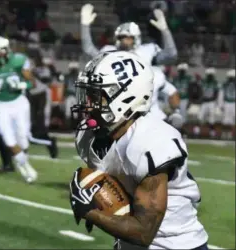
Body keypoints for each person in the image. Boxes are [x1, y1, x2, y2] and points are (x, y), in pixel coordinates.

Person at [69, 51, 208, 250]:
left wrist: (89, 210)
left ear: (125, 97)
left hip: (175, 244)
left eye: (96, 96)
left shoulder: (150, 140)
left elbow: (144, 232)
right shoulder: (88, 137)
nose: (88, 104)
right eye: (87, 94)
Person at [0, 36, 37, 183]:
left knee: (23, 139)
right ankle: (25, 165)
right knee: (9, 140)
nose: (0, 53)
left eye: (2, 49)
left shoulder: (18, 60)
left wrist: (21, 86)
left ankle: (21, 160)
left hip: (19, 103)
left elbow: (32, 83)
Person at [80, 4, 177, 65]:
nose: (124, 40)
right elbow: (88, 50)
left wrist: (165, 30)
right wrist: (85, 26)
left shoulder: (146, 52)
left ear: (136, 38)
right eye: (122, 37)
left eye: (128, 37)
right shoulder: (109, 52)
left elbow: (171, 55)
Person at [198, 68, 219, 138]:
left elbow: (216, 93)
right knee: (200, 117)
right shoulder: (203, 81)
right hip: (204, 102)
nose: (210, 76)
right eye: (209, 75)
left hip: (211, 102)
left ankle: (212, 133)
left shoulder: (215, 82)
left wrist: (212, 99)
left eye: (211, 75)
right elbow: (200, 91)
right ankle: (197, 132)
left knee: (212, 118)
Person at [218, 69, 235, 139]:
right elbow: (221, 95)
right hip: (227, 103)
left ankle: (230, 134)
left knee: (232, 119)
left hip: (234, 103)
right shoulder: (224, 84)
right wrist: (221, 104)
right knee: (225, 119)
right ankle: (224, 134)